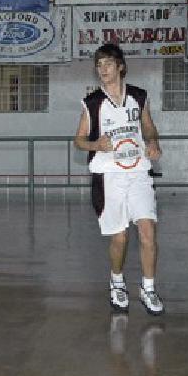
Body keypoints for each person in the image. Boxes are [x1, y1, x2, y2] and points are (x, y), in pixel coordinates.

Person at [72, 43, 165, 315]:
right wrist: (95, 145)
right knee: (120, 239)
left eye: (108, 64)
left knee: (147, 231)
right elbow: (78, 140)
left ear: (120, 66)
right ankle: (116, 280)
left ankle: (148, 288)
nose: (103, 70)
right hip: (109, 176)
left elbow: (148, 127)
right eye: (99, 65)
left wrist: (153, 142)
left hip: (138, 172)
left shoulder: (138, 96)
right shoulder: (93, 103)